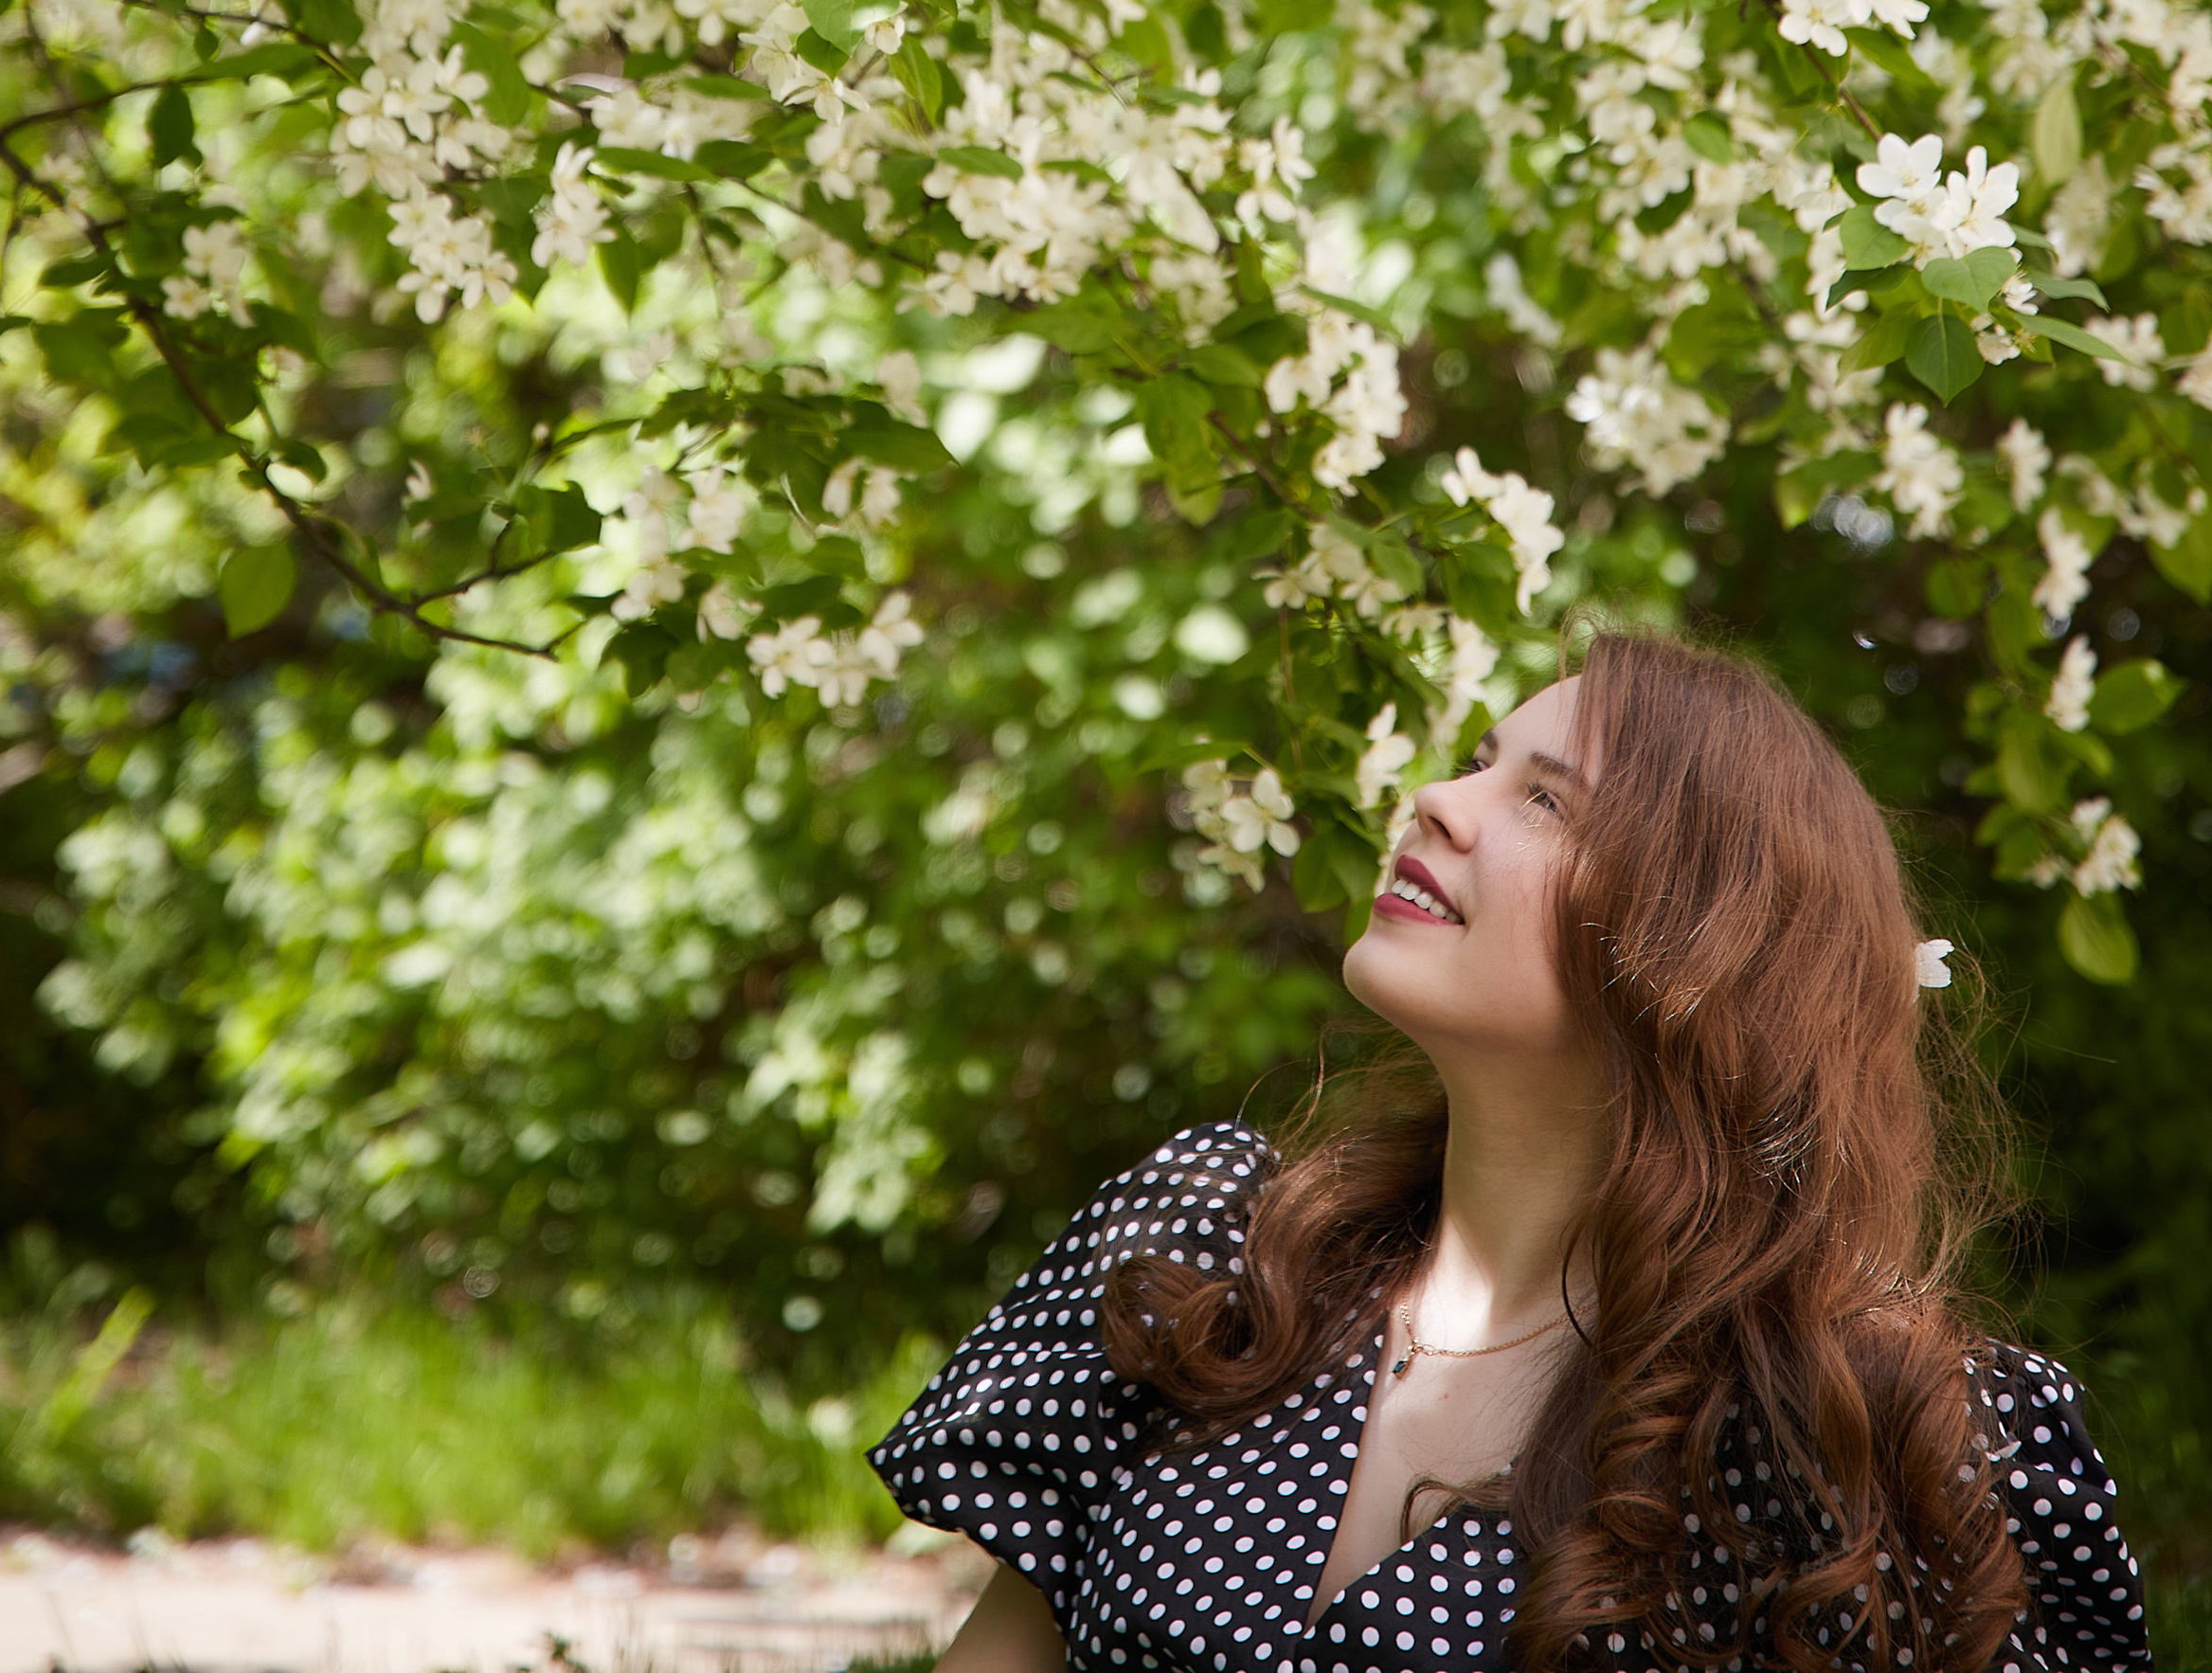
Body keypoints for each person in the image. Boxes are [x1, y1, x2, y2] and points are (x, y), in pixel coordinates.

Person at [870, 629, 2151, 1673]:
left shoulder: (1858, 1431)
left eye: (1543, 797)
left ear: (1699, 953)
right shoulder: (1224, 1254)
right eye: (1479, 761)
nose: (1435, 800)